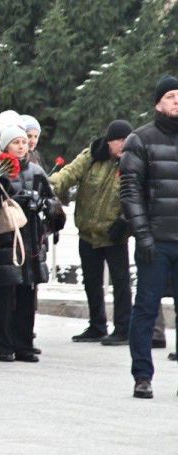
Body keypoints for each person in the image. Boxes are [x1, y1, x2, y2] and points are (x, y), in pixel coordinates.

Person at [120, 75, 178, 399]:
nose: (176, 101)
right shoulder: (139, 139)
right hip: (155, 240)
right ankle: (142, 375)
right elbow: (130, 192)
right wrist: (142, 235)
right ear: (158, 102)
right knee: (145, 308)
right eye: (171, 96)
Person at [50, 120, 133, 345]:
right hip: (88, 231)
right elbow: (68, 173)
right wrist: (49, 185)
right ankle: (97, 325)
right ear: (109, 141)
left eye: (127, 140)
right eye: (119, 140)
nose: (124, 145)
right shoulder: (91, 156)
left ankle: (124, 328)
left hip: (115, 233)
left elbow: (140, 194)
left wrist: (127, 222)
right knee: (91, 281)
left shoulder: (134, 161)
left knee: (121, 282)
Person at [0, 125, 62, 363]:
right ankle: (3, 344)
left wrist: (45, 205)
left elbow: (52, 201)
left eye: (23, 141)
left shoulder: (37, 171)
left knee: (28, 292)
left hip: (31, 237)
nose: (21, 146)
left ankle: (25, 343)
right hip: (6, 237)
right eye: (15, 142)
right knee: (4, 294)